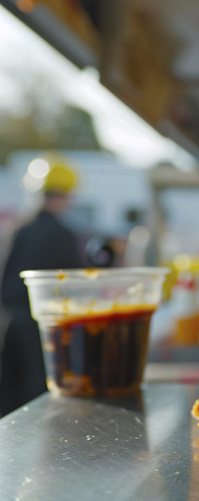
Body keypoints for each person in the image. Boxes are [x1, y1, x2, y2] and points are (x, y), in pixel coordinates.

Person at [0, 155, 85, 415]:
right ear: (64, 194)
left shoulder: (18, 230)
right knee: (36, 406)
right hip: (45, 334)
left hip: (11, 329)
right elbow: (77, 287)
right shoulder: (63, 234)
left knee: (10, 405)